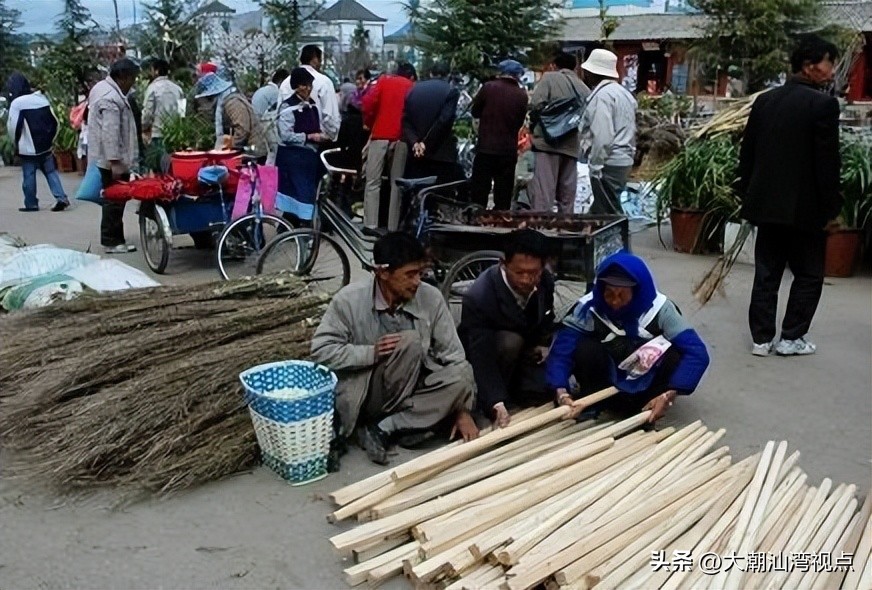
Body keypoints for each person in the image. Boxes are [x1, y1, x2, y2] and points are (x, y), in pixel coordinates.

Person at [311, 232, 479, 465]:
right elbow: (321, 350)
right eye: (409, 275)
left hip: (416, 383)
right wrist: (371, 353)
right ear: (383, 273)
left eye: (420, 273)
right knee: (409, 341)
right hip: (370, 391)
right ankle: (414, 421)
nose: (417, 281)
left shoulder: (430, 297)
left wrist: (462, 409)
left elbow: (454, 355)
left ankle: (386, 427)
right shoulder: (349, 300)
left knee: (462, 376)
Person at [737, 35, 842, 357]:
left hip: (766, 206)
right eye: (829, 63)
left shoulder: (765, 101)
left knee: (767, 272)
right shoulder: (823, 105)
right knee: (809, 273)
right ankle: (791, 338)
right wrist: (832, 209)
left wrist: (746, 196)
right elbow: (827, 163)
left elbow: (748, 155)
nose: (833, 70)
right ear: (810, 66)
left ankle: (761, 338)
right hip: (804, 210)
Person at [546, 252, 710, 423]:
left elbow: (697, 352)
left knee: (675, 354)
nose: (615, 301)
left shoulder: (661, 310)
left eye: (622, 295)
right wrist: (561, 391)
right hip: (605, 379)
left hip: (647, 381)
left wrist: (669, 395)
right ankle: (595, 401)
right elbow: (561, 352)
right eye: (609, 294)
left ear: (638, 291)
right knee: (583, 347)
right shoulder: (590, 308)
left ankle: (650, 405)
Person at [458, 229, 556, 428]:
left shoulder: (545, 280)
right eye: (519, 272)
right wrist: (496, 402)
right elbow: (481, 357)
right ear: (503, 264)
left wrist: (543, 345)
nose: (526, 279)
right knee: (509, 342)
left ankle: (516, 389)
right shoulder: (479, 297)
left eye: (534, 273)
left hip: (524, 351)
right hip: (490, 355)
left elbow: (546, 320)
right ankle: (489, 403)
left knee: (541, 391)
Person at [88, 58, 141, 253]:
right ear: (123, 77)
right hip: (111, 160)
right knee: (115, 200)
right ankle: (112, 241)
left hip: (103, 157)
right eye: (132, 78)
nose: (133, 83)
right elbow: (110, 133)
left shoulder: (100, 88)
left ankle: (115, 238)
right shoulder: (111, 97)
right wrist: (115, 162)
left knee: (114, 199)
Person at [528, 52, 590, 213]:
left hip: (547, 143)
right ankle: (566, 226)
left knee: (544, 192)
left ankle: (542, 228)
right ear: (574, 67)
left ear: (554, 65)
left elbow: (536, 104)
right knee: (567, 193)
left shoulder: (549, 78)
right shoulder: (583, 87)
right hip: (571, 145)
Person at [579, 48, 637, 215]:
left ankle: (620, 241)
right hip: (623, 159)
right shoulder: (623, 94)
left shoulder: (602, 96)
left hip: (608, 163)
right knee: (604, 208)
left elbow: (603, 135)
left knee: (608, 214)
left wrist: (596, 165)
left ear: (594, 73)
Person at [3, 72, 71, 212]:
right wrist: (51, 140)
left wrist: (16, 144)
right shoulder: (41, 99)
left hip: (28, 148)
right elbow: (55, 121)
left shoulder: (17, 103)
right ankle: (61, 198)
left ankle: (31, 204)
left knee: (29, 176)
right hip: (45, 145)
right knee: (51, 172)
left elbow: (13, 127)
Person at [361, 62, 416, 232]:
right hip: (401, 138)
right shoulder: (411, 87)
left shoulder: (383, 81)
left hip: (380, 135)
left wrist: (370, 123)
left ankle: (370, 224)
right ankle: (393, 227)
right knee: (396, 183)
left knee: (373, 181)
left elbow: (367, 103)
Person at [469, 59, 529, 211]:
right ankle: (500, 223)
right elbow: (520, 122)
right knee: (503, 193)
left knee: (480, 189)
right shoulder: (521, 95)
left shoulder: (488, 88)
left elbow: (475, 111)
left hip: (486, 147)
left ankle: (476, 220)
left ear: (501, 73)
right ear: (517, 76)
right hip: (507, 150)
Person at [275, 67, 327, 223]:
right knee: (298, 194)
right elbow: (285, 135)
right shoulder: (287, 107)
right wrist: (309, 136)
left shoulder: (312, 104)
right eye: (304, 85)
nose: (308, 88)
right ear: (296, 86)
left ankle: (295, 226)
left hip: (309, 158)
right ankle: (297, 227)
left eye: (309, 85)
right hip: (294, 158)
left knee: (306, 194)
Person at [402, 63, 463, 186]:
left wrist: (415, 143)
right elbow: (444, 120)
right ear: (448, 75)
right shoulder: (451, 91)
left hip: (415, 153)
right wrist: (425, 143)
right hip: (441, 152)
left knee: (417, 191)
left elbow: (405, 120)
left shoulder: (413, 90)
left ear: (430, 74)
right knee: (438, 194)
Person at [194, 72, 268, 159]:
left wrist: (229, 150)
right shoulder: (225, 103)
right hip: (247, 150)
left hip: (253, 152)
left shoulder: (232, 103)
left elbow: (243, 129)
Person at [280, 45, 341, 142]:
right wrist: (331, 136)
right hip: (316, 142)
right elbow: (330, 116)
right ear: (315, 59)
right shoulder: (324, 81)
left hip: (288, 145)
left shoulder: (285, 83)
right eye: (320, 60)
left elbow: (280, 114)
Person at [141, 58, 183, 173]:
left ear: (156, 71)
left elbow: (147, 114)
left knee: (159, 171)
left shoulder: (152, 89)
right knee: (172, 169)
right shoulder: (178, 89)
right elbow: (182, 113)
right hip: (175, 136)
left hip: (158, 134)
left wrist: (143, 128)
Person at [251, 68, 289, 165]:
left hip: (255, 128)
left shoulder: (262, 90)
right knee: (273, 154)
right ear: (282, 82)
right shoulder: (276, 93)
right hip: (265, 127)